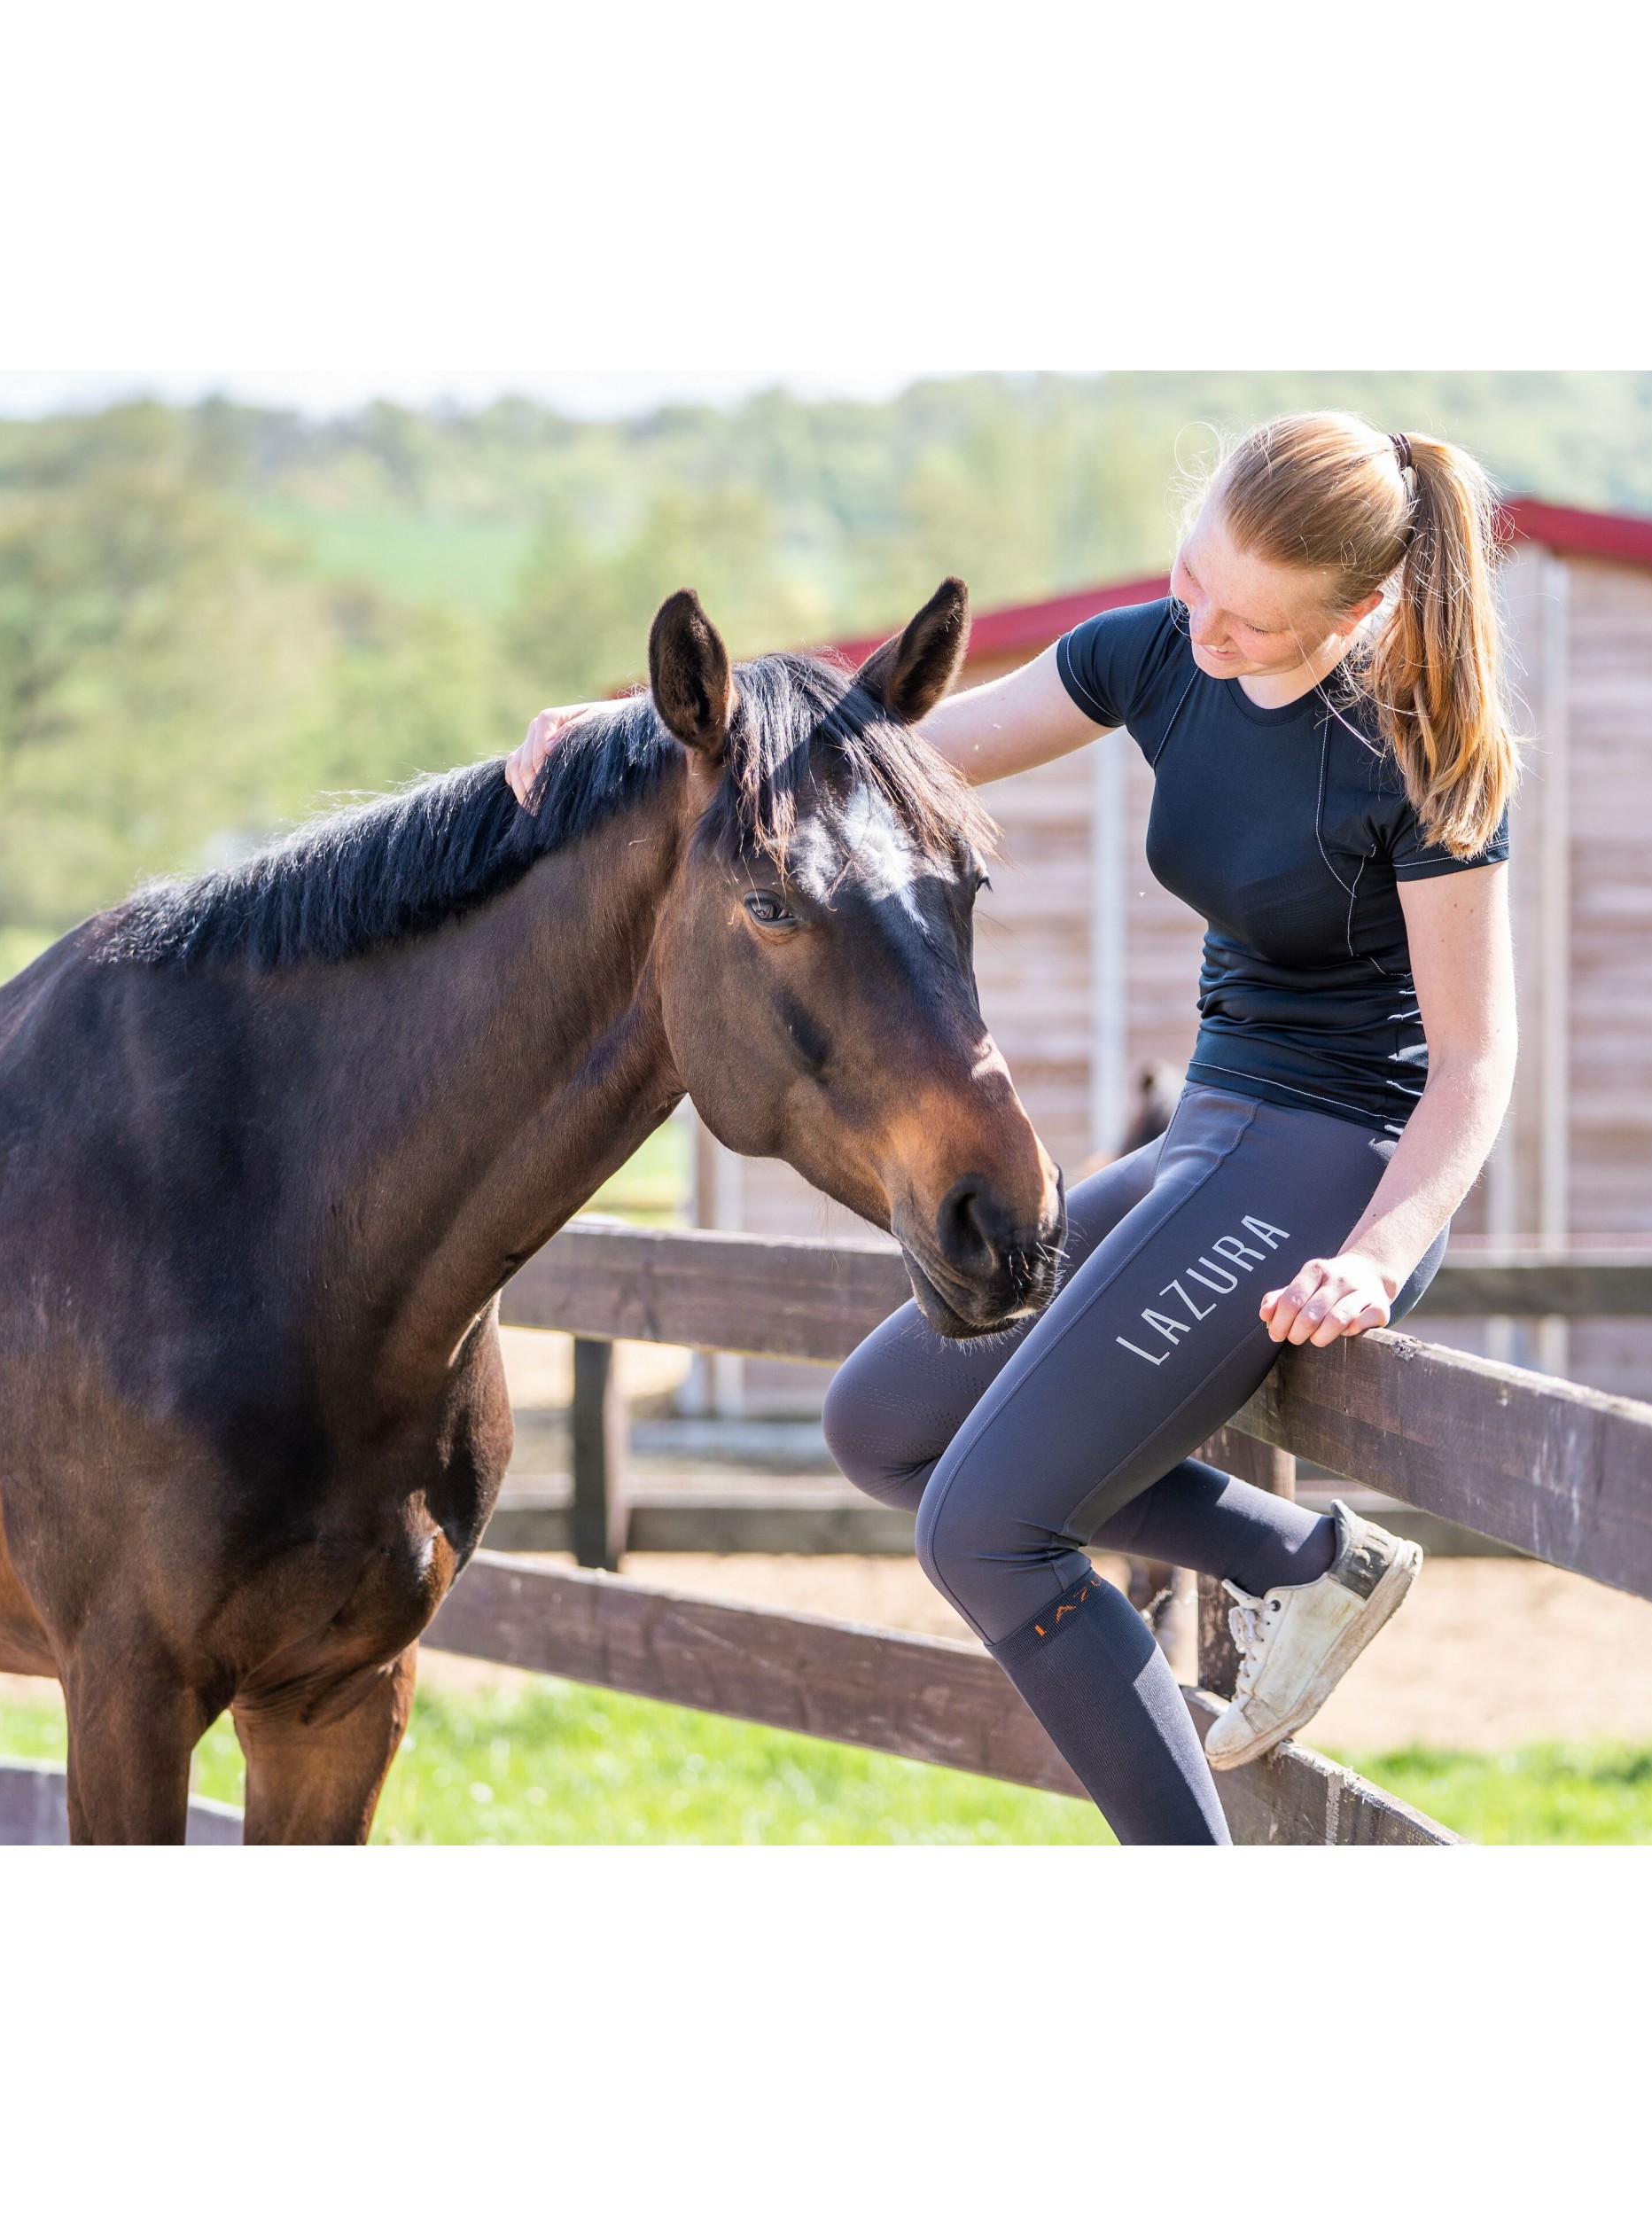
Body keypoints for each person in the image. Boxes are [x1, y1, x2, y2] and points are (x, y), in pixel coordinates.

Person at [508, 412, 1519, 1844]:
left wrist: (1383, 1249)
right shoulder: (1154, 653)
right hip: (1211, 1139)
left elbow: (1474, 1062)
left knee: (986, 1531)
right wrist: (634, 725)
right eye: (1193, 577)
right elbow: (857, 766)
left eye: (1248, 618)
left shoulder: (1418, 755)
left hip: (1336, 1168)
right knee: (880, 1424)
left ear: (1358, 612)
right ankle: (1307, 1561)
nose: (1203, 627)